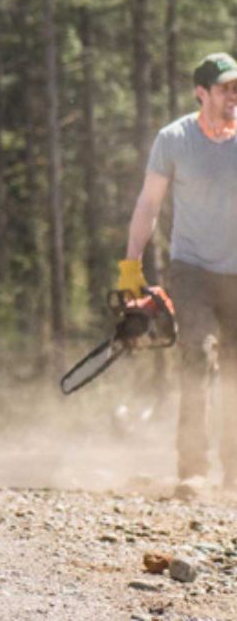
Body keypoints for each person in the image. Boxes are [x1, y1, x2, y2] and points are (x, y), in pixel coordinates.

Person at [122, 51, 237, 497]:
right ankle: (194, 468)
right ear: (201, 93)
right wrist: (130, 266)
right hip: (193, 270)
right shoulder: (174, 139)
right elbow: (149, 204)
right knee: (197, 355)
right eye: (225, 88)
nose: (233, 96)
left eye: (236, 88)